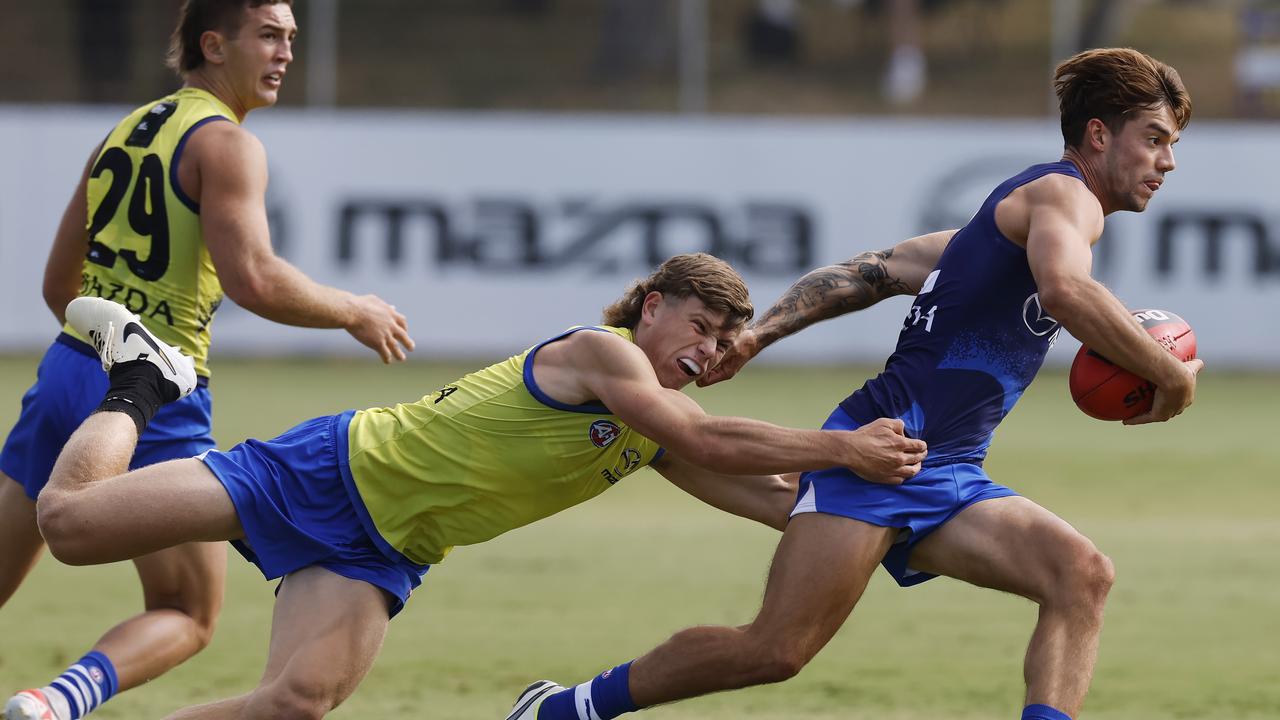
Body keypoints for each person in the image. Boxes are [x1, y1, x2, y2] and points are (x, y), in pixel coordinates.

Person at [512, 47, 1203, 720]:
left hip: (949, 469)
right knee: (775, 650)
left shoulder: (1010, 226)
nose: (1167, 161)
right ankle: (566, 709)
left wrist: (760, 334)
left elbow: (876, 269)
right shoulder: (1064, 195)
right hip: (877, 453)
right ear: (1097, 133)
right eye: (1155, 139)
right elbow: (1064, 291)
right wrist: (1167, 372)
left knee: (1081, 574)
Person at [28, 253, 926, 720]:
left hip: (383, 550)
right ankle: (138, 381)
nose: (705, 350)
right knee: (69, 526)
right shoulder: (606, 356)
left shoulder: (652, 428)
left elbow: (775, 499)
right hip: (331, 472)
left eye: (721, 341)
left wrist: (901, 525)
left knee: (295, 703)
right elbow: (710, 437)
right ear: (652, 307)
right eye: (697, 327)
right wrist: (844, 450)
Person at [1, 2, 414, 719]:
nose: (286, 52)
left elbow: (56, 287)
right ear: (213, 45)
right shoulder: (227, 144)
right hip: (157, 387)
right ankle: (57, 704)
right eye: (269, 36)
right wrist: (355, 308)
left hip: (71, 365)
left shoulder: (123, 132)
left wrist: (100, 343)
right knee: (187, 612)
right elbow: (254, 278)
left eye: (291, 38)